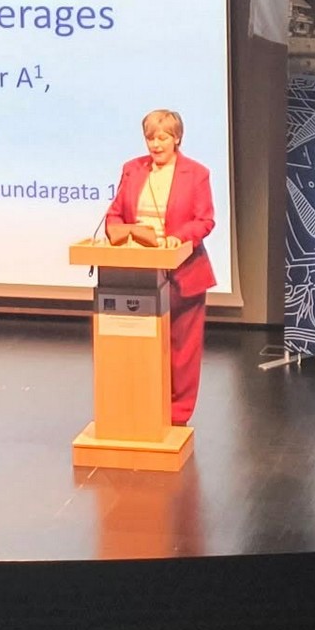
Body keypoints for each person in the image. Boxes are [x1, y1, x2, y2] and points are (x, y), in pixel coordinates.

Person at [102, 109, 216, 426]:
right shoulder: (132, 170)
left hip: (184, 273)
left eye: (162, 137)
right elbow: (114, 214)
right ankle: (139, 408)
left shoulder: (197, 173)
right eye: (150, 138)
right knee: (137, 346)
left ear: (176, 138)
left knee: (182, 350)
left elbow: (205, 220)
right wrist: (117, 231)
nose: (155, 144)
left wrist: (178, 237)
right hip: (137, 274)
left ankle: (177, 416)